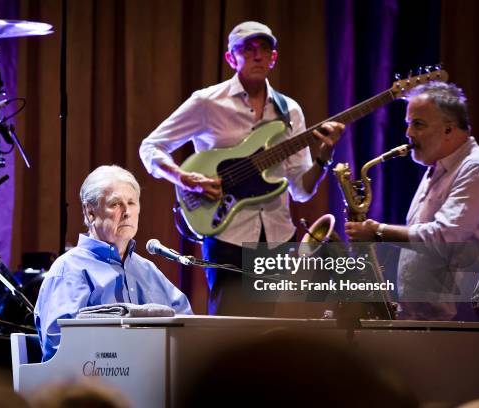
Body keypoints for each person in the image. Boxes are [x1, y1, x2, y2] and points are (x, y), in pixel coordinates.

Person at [139, 21, 344, 315]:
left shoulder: (290, 111)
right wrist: (184, 179)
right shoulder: (207, 102)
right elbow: (151, 146)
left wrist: (324, 158)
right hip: (226, 233)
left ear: (274, 58)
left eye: (264, 49)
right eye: (247, 49)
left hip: (277, 236)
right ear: (230, 58)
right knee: (229, 333)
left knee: (269, 335)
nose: (257, 55)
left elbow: (300, 190)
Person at [345, 81, 479, 320]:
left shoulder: (476, 168)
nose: (408, 133)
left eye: (418, 124)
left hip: (457, 326)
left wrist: (379, 232)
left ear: (448, 129)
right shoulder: (437, 168)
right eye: (408, 123)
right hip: (425, 320)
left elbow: (445, 237)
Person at [34, 165, 192, 361]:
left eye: (132, 203)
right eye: (116, 204)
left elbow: (189, 328)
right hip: (94, 386)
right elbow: (60, 350)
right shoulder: (69, 269)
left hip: (154, 383)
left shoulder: (147, 270)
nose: (127, 212)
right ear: (90, 211)